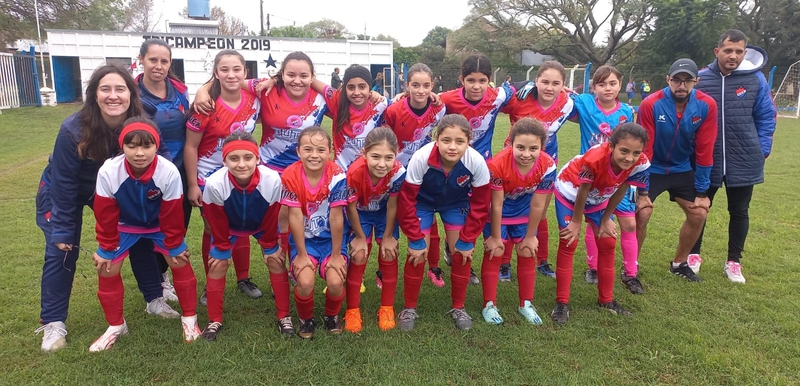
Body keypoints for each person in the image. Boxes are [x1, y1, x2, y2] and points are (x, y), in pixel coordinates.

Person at [34, 64, 176, 352]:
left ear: (130, 93)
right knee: (61, 250)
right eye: (105, 89)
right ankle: (53, 323)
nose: (113, 96)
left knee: (139, 237)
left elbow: (158, 159)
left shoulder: (145, 118)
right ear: (94, 95)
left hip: (114, 192)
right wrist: (62, 228)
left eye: (120, 89)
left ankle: (154, 299)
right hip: (68, 192)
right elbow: (63, 182)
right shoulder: (73, 128)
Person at [89, 117, 201, 351]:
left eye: (147, 146)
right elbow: (105, 213)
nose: (139, 152)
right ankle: (115, 325)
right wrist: (106, 249)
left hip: (159, 225)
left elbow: (172, 213)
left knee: (179, 261)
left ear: (156, 146)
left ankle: (190, 319)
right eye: (132, 146)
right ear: (123, 147)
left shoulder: (168, 171)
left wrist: (175, 244)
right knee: (107, 267)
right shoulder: (109, 170)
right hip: (125, 225)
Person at [693, 29, 777, 283]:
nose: (733, 56)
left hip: (745, 158)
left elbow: (766, 117)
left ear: (745, 52)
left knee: (740, 211)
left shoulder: (756, 80)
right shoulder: (701, 79)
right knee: (699, 208)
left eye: (739, 51)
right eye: (728, 50)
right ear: (717, 51)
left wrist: (762, 150)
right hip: (709, 159)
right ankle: (693, 255)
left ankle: (733, 262)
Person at [397, 114, 492, 331]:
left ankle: (459, 307)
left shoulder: (476, 162)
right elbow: (406, 201)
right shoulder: (421, 158)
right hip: (423, 203)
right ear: (436, 138)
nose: (452, 147)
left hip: (454, 203)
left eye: (460, 142)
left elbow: (480, 205)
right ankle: (409, 308)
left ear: (469, 142)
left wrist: (468, 240)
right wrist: (415, 238)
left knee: (462, 253)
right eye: (446, 140)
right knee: (417, 254)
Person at [550, 123, 650, 325]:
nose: (629, 158)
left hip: (599, 198)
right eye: (624, 151)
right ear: (611, 146)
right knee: (569, 242)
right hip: (570, 193)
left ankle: (607, 300)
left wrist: (606, 218)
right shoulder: (594, 158)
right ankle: (562, 303)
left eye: (635, 152)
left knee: (608, 243)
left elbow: (622, 187)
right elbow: (583, 190)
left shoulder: (640, 163)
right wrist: (577, 221)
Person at [185, 50, 263, 303]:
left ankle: (243, 278)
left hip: (241, 174)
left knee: (241, 225)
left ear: (245, 72)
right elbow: (190, 146)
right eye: (224, 70)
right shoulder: (204, 105)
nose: (231, 75)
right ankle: (211, 283)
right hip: (209, 176)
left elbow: (279, 82)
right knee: (213, 228)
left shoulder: (254, 99)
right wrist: (192, 185)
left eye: (236, 69)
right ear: (216, 73)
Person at [200, 131, 290, 340]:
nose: (241, 164)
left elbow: (271, 215)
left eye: (248, 158)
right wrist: (222, 248)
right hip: (228, 228)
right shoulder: (214, 183)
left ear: (257, 159)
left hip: (261, 225)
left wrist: (270, 245)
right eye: (234, 158)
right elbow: (215, 219)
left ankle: (284, 316)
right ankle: (214, 320)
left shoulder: (272, 180)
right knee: (218, 265)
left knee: (276, 261)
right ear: (224, 161)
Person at [636, 58, 717, 282]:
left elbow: (705, 149)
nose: (681, 86)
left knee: (699, 212)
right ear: (668, 80)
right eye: (676, 80)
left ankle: (680, 263)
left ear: (696, 81)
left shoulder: (706, 105)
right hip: (653, 169)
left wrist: (702, 192)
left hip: (682, 169)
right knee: (642, 213)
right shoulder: (650, 103)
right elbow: (645, 150)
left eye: (687, 81)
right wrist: (642, 191)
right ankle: (631, 265)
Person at [568, 65, 644, 294]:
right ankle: (593, 267)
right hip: (593, 178)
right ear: (593, 87)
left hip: (619, 177)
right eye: (602, 84)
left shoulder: (627, 112)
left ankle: (631, 273)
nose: (607, 88)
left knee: (629, 222)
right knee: (595, 222)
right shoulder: (584, 103)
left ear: (621, 85)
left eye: (612, 83)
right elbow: (559, 95)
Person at [439, 53, 514, 284]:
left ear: (489, 80)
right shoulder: (447, 98)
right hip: (455, 165)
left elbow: (519, 89)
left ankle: (489, 259)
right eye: (471, 80)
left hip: (484, 166)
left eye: (482, 81)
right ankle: (457, 255)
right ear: (462, 79)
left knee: (483, 210)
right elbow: (426, 100)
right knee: (459, 211)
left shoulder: (498, 95)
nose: (477, 86)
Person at [500, 60, 575, 280]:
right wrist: (514, 87)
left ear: (563, 85)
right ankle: (504, 264)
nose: (549, 87)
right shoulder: (519, 100)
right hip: (513, 162)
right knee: (508, 207)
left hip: (545, 163)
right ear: (536, 81)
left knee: (540, 211)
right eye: (545, 82)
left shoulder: (568, 102)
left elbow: (596, 104)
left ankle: (542, 260)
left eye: (556, 83)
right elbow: (492, 100)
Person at [481, 118, 556, 325]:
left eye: (534, 148)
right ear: (510, 144)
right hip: (498, 213)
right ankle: (489, 304)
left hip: (524, 213)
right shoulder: (497, 165)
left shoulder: (548, 165)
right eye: (520, 147)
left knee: (527, 251)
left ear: (542, 146)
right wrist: (495, 237)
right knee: (495, 252)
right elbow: (495, 204)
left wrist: (531, 236)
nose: (526, 154)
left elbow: (538, 205)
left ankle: (526, 304)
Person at [135, 38, 192, 303]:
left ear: (170, 64)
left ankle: (163, 275)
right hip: (144, 173)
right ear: (142, 60)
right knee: (148, 228)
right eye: (153, 60)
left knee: (176, 227)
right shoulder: (131, 93)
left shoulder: (180, 90)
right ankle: (154, 282)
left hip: (179, 172)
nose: (158, 66)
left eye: (164, 61)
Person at [282, 126, 351, 339]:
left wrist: (338, 254)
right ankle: (306, 318)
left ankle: (331, 316)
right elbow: (294, 216)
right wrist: (301, 255)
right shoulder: (290, 174)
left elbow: (336, 217)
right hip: (305, 241)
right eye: (308, 149)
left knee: (336, 281)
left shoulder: (337, 174)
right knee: (304, 282)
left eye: (321, 150)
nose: (314, 155)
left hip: (331, 241)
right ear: (298, 151)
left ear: (329, 151)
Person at [382, 63, 447, 288]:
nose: (421, 90)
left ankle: (434, 267)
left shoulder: (439, 109)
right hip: (397, 174)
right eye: (415, 85)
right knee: (389, 218)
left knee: (430, 217)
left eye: (426, 85)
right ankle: (384, 270)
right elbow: (384, 141)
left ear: (432, 86)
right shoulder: (393, 110)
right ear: (406, 85)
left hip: (428, 172)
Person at [344, 127, 406, 332]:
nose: (382, 164)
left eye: (389, 157)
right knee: (359, 254)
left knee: (389, 253)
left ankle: (387, 307)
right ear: (364, 154)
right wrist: (360, 237)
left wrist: (388, 236)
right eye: (375, 157)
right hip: (359, 214)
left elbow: (393, 205)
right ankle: (352, 310)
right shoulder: (354, 171)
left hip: (382, 213)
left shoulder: (398, 172)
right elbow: (351, 207)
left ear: (396, 156)